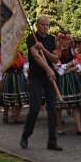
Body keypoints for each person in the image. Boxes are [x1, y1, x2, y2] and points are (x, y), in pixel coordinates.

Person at [20, 16, 63, 151]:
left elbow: (55, 59)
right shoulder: (31, 38)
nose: (45, 27)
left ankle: (52, 141)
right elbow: (36, 57)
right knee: (34, 107)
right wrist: (48, 69)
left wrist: (44, 49)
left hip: (49, 78)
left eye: (47, 25)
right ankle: (26, 135)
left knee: (52, 109)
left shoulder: (51, 39)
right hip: (36, 77)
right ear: (37, 25)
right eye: (43, 24)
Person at [55, 32, 81, 136]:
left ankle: (79, 128)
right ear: (60, 40)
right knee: (59, 105)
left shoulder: (72, 51)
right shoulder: (56, 52)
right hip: (61, 81)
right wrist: (71, 64)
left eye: (69, 39)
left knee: (75, 104)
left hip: (72, 79)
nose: (68, 41)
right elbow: (58, 70)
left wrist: (69, 67)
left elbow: (79, 67)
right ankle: (59, 127)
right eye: (66, 39)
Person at [2, 51, 28, 124]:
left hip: (19, 77)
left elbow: (24, 68)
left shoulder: (20, 55)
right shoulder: (5, 54)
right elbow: (2, 68)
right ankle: (5, 114)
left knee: (19, 98)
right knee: (7, 97)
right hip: (9, 76)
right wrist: (0, 80)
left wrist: (25, 77)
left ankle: (17, 116)